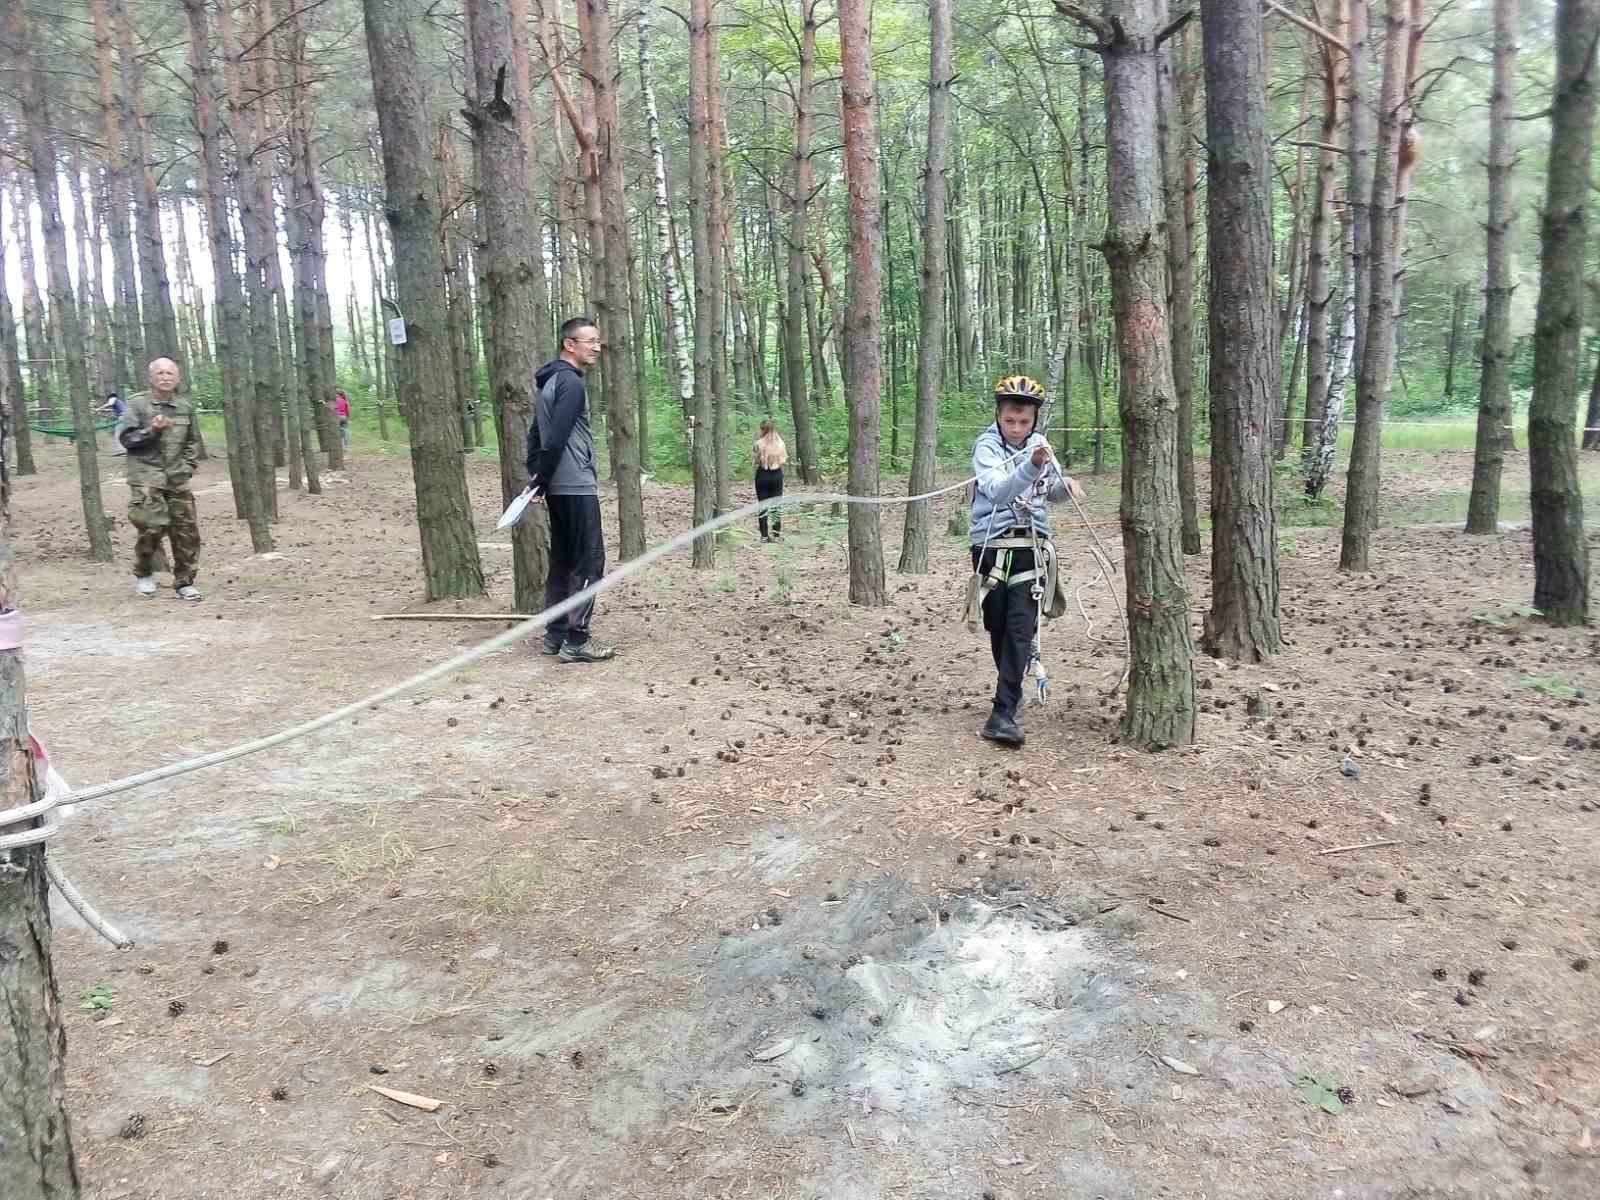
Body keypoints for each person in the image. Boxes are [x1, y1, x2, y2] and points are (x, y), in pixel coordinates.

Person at [965, 374, 1084, 748]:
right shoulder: (986, 447)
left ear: (1035, 420)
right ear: (998, 416)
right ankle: (1011, 689)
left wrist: (1066, 487)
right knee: (998, 626)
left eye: (1024, 421)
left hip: (1031, 546)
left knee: (1020, 628)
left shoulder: (1040, 446)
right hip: (991, 546)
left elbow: (1050, 491)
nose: (1017, 428)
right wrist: (1032, 465)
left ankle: (1003, 712)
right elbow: (999, 491)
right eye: (1010, 420)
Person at [526, 317, 616, 663]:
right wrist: (541, 479)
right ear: (569, 344)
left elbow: (536, 435)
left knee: (563, 559)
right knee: (589, 561)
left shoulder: (550, 381)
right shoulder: (571, 384)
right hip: (575, 484)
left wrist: (538, 475)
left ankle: (555, 634)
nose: (597, 347)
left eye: (597, 341)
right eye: (590, 341)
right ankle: (577, 640)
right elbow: (557, 434)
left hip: (558, 485)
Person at [120, 357, 203, 600]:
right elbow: (127, 440)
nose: (165, 378)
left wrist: (188, 466)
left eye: (170, 373)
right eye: (160, 373)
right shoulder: (137, 404)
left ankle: (184, 583)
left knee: (186, 532)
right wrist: (152, 430)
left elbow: (193, 442)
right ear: (151, 377)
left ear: (177, 378)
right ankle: (144, 571)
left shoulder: (185, 406)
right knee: (152, 527)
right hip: (146, 476)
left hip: (177, 477)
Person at [753, 419, 788, 542]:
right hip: (776, 474)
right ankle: (776, 535)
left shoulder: (758, 443)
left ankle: (764, 536)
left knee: (763, 505)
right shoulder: (781, 444)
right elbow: (783, 460)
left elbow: (756, 461)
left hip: (763, 474)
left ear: (763, 430)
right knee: (776, 506)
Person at [99, 390, 127, 455]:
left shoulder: (113, 398)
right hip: (127, 417)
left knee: (118, 434)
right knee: (124, 433)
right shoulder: (119, 402)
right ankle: (125, 448)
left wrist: (99, 408)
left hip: (122, 418)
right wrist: (100, 409)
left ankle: (121, 450)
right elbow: (110, 410)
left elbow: (109, 404)